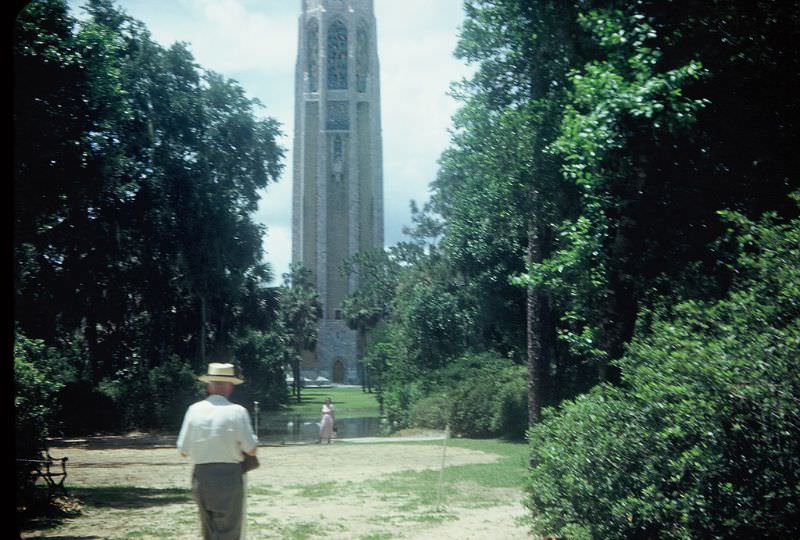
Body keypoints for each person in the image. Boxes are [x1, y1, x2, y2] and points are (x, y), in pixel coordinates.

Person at [177, 362, 258, 540]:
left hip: (201, 475)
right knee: (228, 530)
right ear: (230, 387)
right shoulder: (237, 412)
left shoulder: (193, 410)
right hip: (229, 476)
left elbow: (183, 451)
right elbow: (251, 450)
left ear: (209, 385)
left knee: (208, 530)